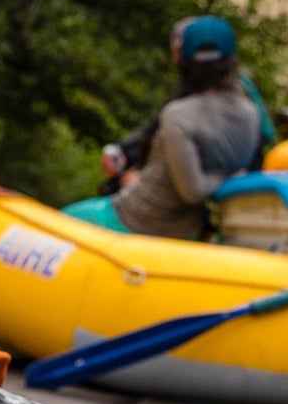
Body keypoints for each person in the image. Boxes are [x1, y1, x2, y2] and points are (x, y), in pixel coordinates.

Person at [64, 17, 261, 239]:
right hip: (186, 230)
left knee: (64, 219)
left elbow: (193, 191)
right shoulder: (251, 112)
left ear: (183, 62)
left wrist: (226, 178)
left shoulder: (178, 114)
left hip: (137, 221)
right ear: (232, 60)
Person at [96, 16, 273, 195]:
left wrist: (141, 178)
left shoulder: (223, 101)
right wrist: (124, 152)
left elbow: (199, 178)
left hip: (195, 197)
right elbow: (154, 131)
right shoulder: (194, 99)